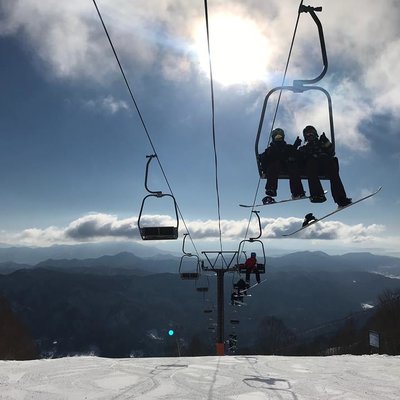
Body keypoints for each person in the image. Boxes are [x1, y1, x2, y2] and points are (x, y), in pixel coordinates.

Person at [298, 125, 352, 207]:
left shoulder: (322, 143)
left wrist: (326, 142)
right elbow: (299, 157)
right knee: (311, 162)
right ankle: (317, 194)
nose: (310, 136)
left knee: (330, 165)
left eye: (311, 133)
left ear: (315, 134)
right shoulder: (304, 148)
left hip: (325, 166)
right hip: (313, 169)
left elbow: (331, 152)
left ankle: (341, 199)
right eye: (307, 135)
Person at [260, 128, 306, 204]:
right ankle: (271, 188)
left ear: (283, 137)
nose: (278, 139)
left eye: (280, 137)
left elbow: (294, 153)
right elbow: (264, 159)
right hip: (275, 168)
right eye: (276, 137)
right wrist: (264, 171)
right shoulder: (270, 149)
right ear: (273, 138)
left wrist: (295, 145)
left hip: (287, 166)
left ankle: (297, 192)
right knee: (274, 165)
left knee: (293, 166)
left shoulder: (287, 147)